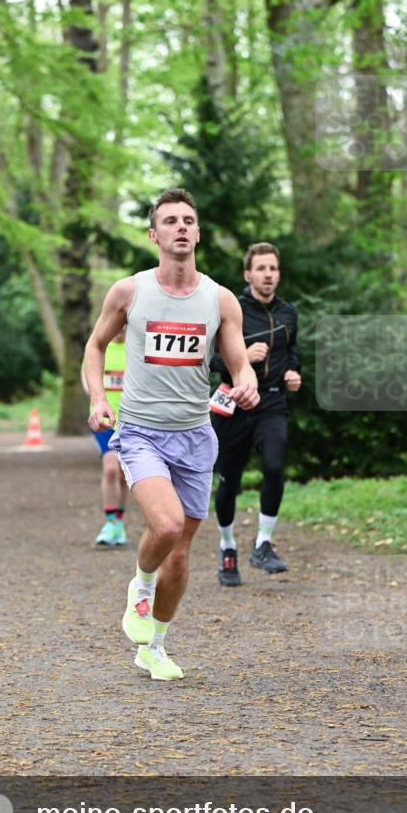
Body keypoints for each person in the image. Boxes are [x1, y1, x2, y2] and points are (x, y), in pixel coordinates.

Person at [84, 188, 259, 681]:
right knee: (164, 527)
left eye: (188, 220)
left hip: (195, 435)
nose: (180, 227)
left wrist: (246, 387)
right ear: (154, 234)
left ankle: (154, 647)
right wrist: (99, 399)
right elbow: (95, 347)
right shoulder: (129, 292)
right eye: (170, 221)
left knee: (180, 552)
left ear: (198, 232)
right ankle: (139, 588)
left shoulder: (219, 299)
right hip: (141, 431)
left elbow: (239, 364)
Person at [210, 243, 301, 586]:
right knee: (229, 481)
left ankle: (263, 543)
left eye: (273, 269)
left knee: (275, 466)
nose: (268, 275)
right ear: (248, 275)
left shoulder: (289, 313)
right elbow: (210, 359)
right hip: (233, 403)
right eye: (261, 269)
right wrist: (243, 357)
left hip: (272, 402)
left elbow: (292, 353)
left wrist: (293, 373)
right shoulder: (231, 309)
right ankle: (227, 545)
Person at [81, 329, 128, 546]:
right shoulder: (99, 347)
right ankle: (110, 523)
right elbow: (87, 378)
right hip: (104, 421)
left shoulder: (136, 347)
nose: (122, 328)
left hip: (130, 420)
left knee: (122, 475)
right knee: (110, 469)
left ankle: (118, 523)